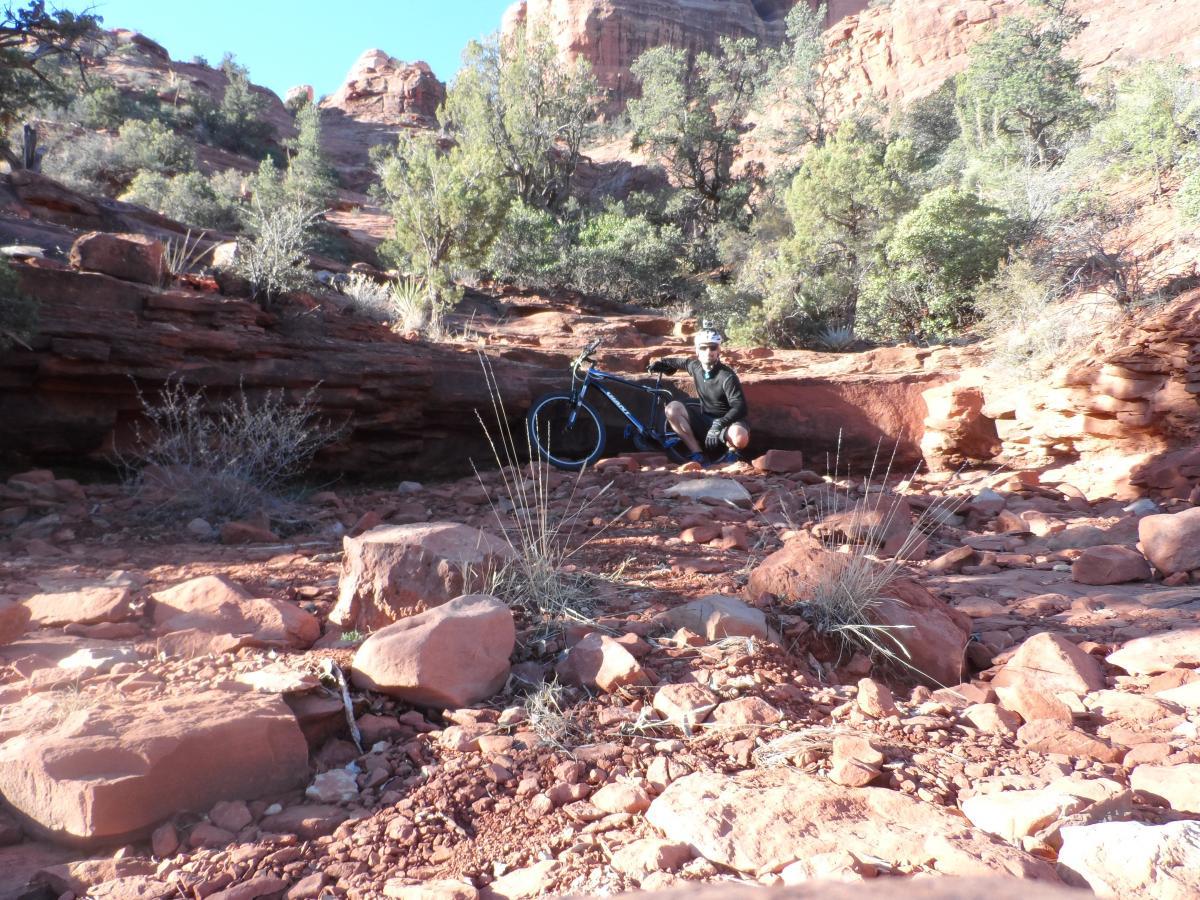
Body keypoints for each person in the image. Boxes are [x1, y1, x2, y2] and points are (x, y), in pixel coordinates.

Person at [648, 328, 750, 466]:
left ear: (718, 350)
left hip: (727, 423)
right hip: (705, 421)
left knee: (740, 437)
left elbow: (740, 407)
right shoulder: (695, 367)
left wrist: (719, 424)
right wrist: (662, 362)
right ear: (697, 351)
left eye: (713, 347)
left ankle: (732, 452)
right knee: (672, 408)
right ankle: (698, 454)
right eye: (703, 348)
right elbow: (681, 362)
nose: (708, 351)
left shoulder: (727, 376)